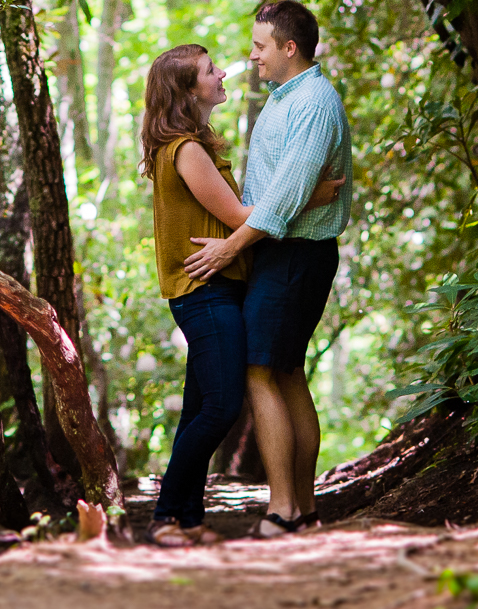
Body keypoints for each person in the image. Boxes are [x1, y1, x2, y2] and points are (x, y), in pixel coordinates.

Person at [142, 42, 342, 547]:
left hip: (218, 288)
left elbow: (241, 210)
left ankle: (186, 519)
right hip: (204, 292)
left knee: (199, 408)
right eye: (211, 71)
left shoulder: (194, 145)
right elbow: (242, 217)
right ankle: (166, 516)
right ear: (188, 92)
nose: (224, 71)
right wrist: (308, 195)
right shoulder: (186, 150)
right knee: (222, 408)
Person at [185, 0, 351, 539]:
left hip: (295, 254)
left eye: (260, 46)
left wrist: (229, 247)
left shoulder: (315, 103)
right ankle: (301, 507)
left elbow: (284, 200)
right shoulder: (286, 98)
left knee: (260, 371)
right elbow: (281, 192)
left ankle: (281, 508)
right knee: (285, 372)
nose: (251, 56)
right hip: (278, 251)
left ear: (289, 48)